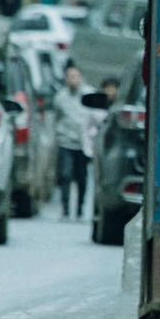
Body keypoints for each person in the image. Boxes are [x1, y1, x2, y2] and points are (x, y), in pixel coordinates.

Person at [54, 64, 93, 220]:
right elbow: (57, 117)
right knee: (65, 175)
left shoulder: (89, 95)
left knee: (82, 176)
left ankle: (79, 209)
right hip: (65, 141)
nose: (72, 80)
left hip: (83, 144)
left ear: (81, 77)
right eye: (69, 76)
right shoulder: (60, 97)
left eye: (75, 76)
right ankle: (65, 208)